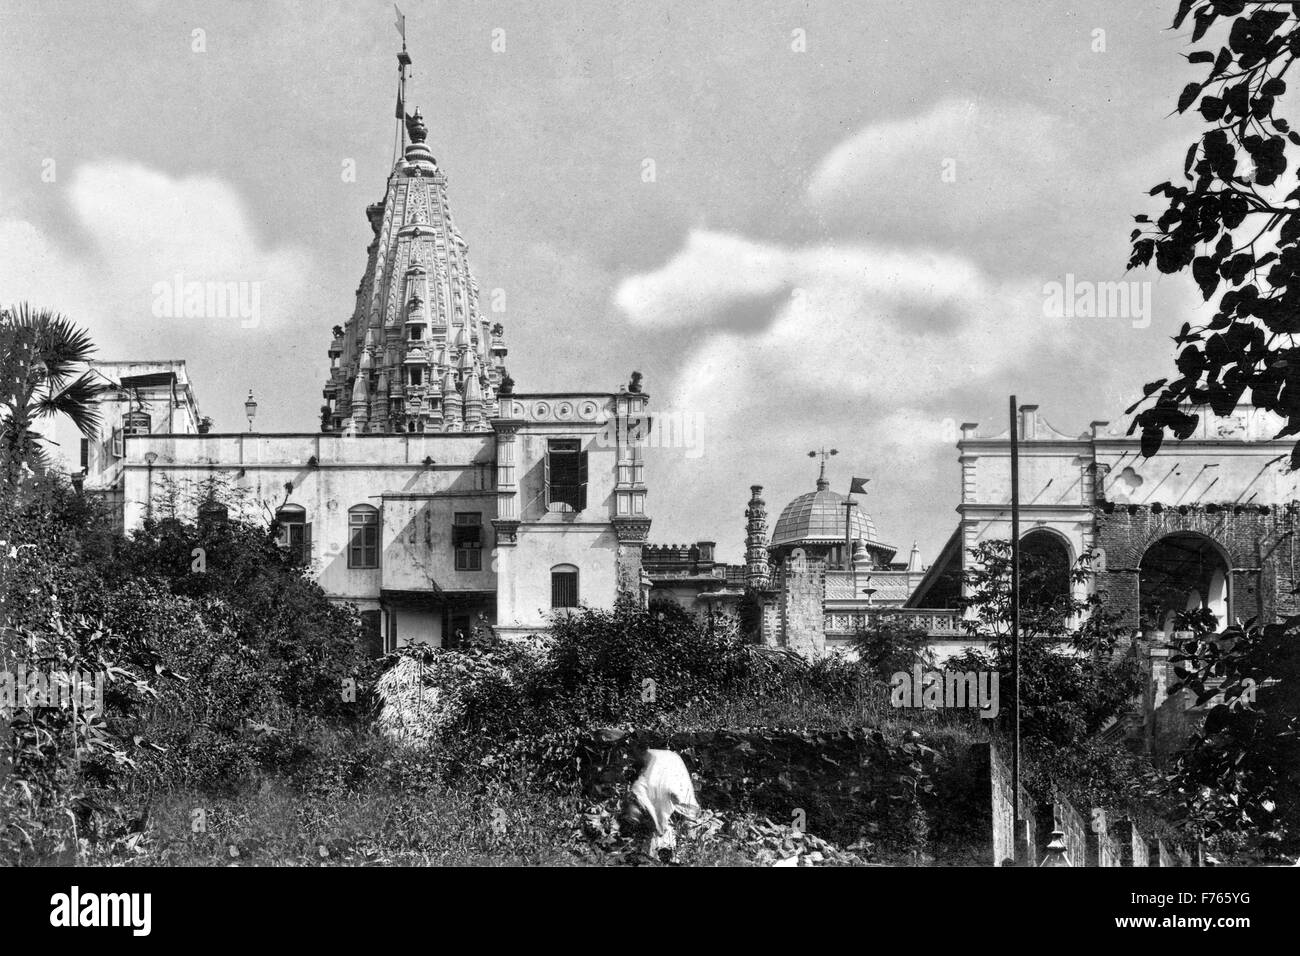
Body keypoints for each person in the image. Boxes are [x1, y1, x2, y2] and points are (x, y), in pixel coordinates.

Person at [620, 749, 701, 861]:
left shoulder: (650, 788)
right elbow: (653, 812)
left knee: (666, 835)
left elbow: (659, 814)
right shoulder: (640, 788)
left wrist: (659, 825)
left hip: (670, 788)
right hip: (666, 777)